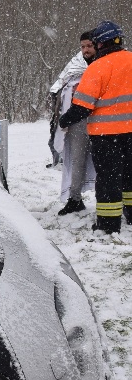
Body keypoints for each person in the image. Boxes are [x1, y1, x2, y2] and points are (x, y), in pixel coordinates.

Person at [59, 20, 132, 234]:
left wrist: (64, 120)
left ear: (100, 44)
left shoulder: (97, 68)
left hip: (107, 136)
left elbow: (82, 108)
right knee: (130, 177)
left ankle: (108, 226)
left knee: (109, 180)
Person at [56, 31, 97, 215]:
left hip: (100, 120)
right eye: (83, 47)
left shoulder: (104, 64)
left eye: (89, 46)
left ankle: (112, 200)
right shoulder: (76, 65)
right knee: (76, 160)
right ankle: (75, 199)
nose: (86, 50)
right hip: (78, 120)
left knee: (104, 162)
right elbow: (60, 86)